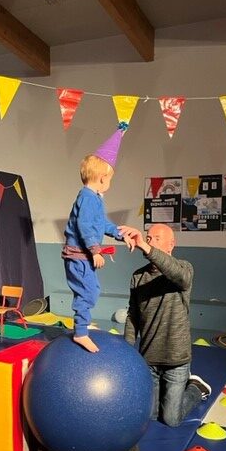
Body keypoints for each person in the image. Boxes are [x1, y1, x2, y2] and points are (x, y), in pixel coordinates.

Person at [124, 223, 211, 426]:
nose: (149, 241)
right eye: (148, 238)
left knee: (171, 419)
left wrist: (145, 247)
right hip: (149, 359)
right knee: (150, 415)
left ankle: (196, 388)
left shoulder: (184, 269)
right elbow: (133, 315)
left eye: (156, 238)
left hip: (176, 360)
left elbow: (177, 275)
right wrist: (126, 352)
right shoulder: (138, 276)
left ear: (171, 245)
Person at [62, 128, 135, 353]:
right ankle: (80, 332)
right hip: (79, 256)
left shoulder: (94, 198)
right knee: (87, 292)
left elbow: (101, 223)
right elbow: (84, 225)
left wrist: (121, 234)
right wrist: (95, 250)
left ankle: (83, 325)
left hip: (83, 256)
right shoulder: (87, 197)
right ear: (103, 178)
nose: (110, 183)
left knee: (92, 290)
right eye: (110, 179)